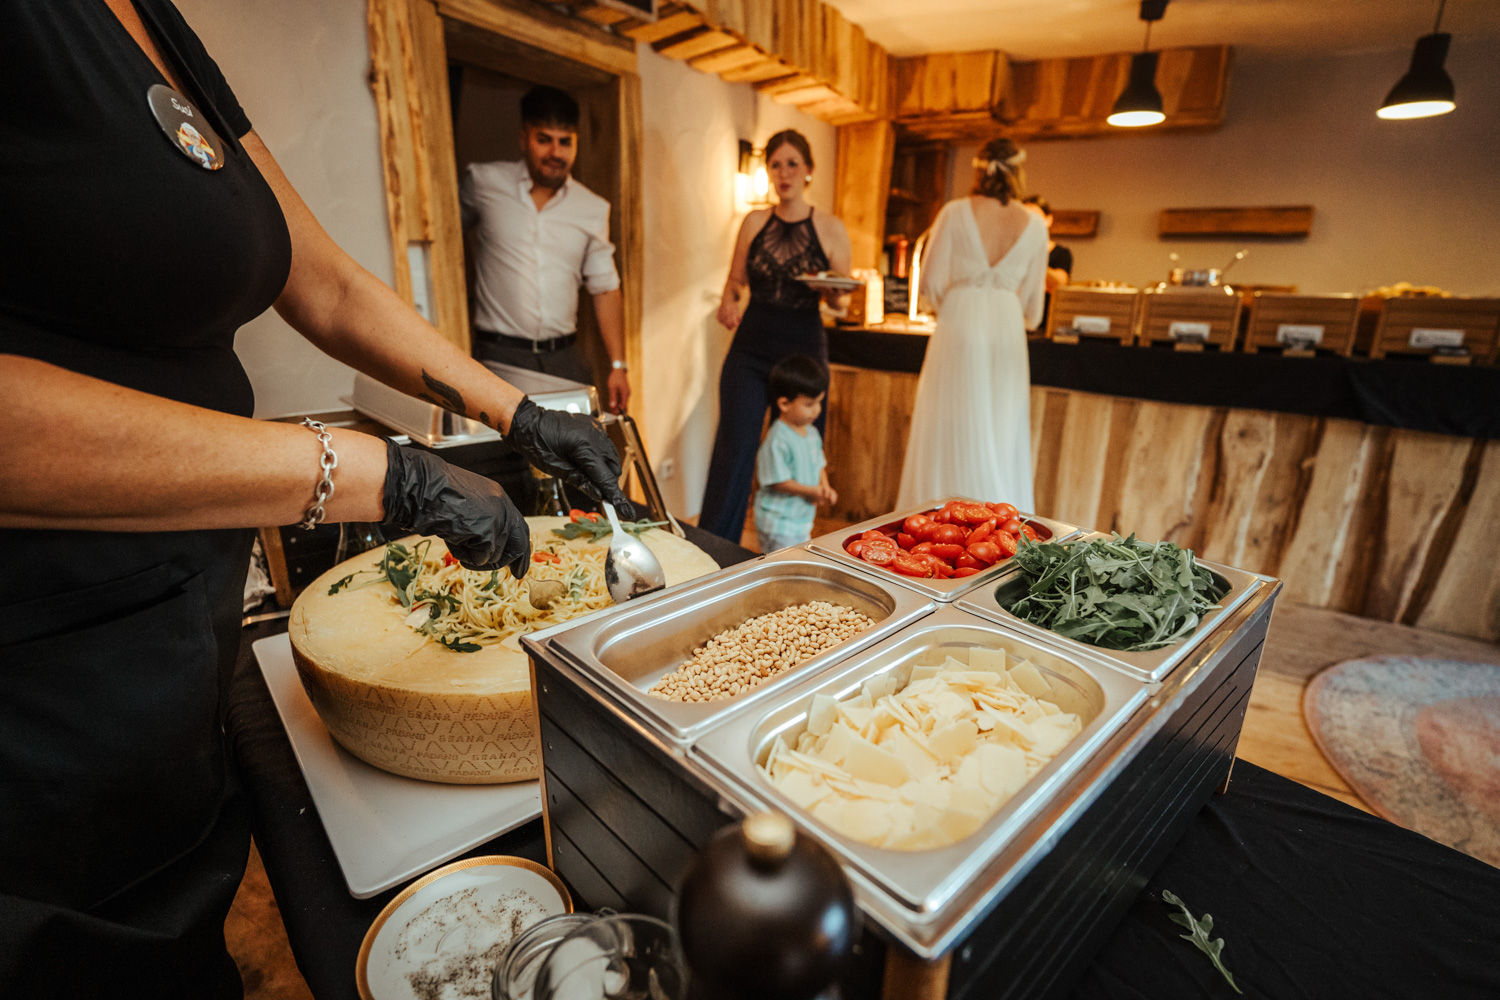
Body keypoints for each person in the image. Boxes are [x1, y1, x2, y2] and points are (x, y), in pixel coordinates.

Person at [0, 3, 633, 996]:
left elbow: (323, 281)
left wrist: (515, 413)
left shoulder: (156, 21)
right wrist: (378, 471)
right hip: (37, 682)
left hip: (169, 632)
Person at [699, 130, 851, 541]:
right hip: (751, 344)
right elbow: (735, 283)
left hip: (803, 346)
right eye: (775, 164)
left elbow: (841, 305)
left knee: (803, 452)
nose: (783, 173)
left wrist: (831, 291)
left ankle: (795, 549)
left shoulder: (831, 227)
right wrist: (729, 302)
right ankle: (714, 547)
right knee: (735, 449)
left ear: (808, 171)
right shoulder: (753, 222)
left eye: (792, 164)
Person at [896, 137, 1047, 513]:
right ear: (1018, 172)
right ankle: (998, 523)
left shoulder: (954, 212)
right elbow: (1034, 311)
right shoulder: (1036, 226)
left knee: (948, 424)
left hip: (958, 325)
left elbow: (928, 283)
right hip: (1007, 328)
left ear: (979, 170)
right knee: (1001, 428)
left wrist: (960, 305)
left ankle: (935, 518)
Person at [461, 85, 630, 414]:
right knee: (498, 458)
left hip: (564, 359)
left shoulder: (592, 208)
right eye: (544, 139)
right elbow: (443, 238)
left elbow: (606, 288)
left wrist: (618, 365)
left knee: (571, 458)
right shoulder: (483, 183)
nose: (556, 152)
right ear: (523, 138)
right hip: (496, 357)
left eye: (565, 141)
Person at [753, 356, 836, 553]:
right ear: (784, 403)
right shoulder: (778, 439)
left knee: (798, 559)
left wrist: (824, 488)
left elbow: (819, 464)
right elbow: (777, 481)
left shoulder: (812, 433)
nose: (816, 410)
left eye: (819, 402)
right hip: (778, 522)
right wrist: (812, 491)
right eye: (809, 404)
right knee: (784, 567)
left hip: (801, 520)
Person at [1022, 194, 1073, 334]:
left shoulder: (1061, 253)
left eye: (1035, 217)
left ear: (1048, 220)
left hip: (1047, 324)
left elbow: (1059, 284)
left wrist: (1036, 257)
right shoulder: (1015, 251)